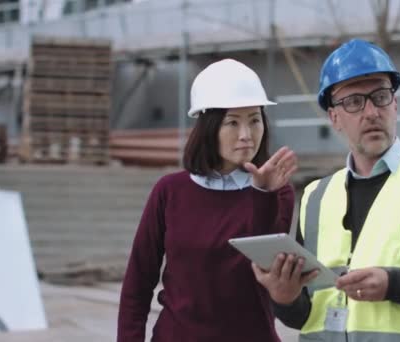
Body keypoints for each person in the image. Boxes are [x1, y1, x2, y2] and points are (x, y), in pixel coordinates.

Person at [253, 39, 400, 341]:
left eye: (380, 96)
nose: (371, 112)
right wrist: (284, 297)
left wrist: (393, 284)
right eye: (353, 101)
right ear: (334, 117)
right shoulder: (316, 197)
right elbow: (306, 316)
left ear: (395, 104)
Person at [117, 58, 298, 342]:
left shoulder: (277, 191)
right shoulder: (170, 191)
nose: (246, 135)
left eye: (254, 119)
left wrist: (263, 194)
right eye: (232, 122)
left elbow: (263, 263)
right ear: (208, 126)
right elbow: (138, 282)